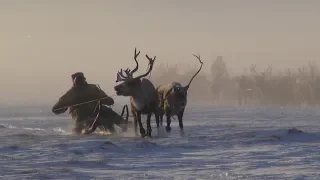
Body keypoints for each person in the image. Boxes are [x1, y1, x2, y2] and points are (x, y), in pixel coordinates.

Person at [52, 72, 127, 135]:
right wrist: (65, 105)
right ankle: (78, 132)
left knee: (108, 112)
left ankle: (125, 126)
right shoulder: (71, 93)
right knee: (80, 114)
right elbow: (56, 109)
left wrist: (106, 100)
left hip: (96, 110)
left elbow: (107, 99)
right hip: (81, 115)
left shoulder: (93, 88)